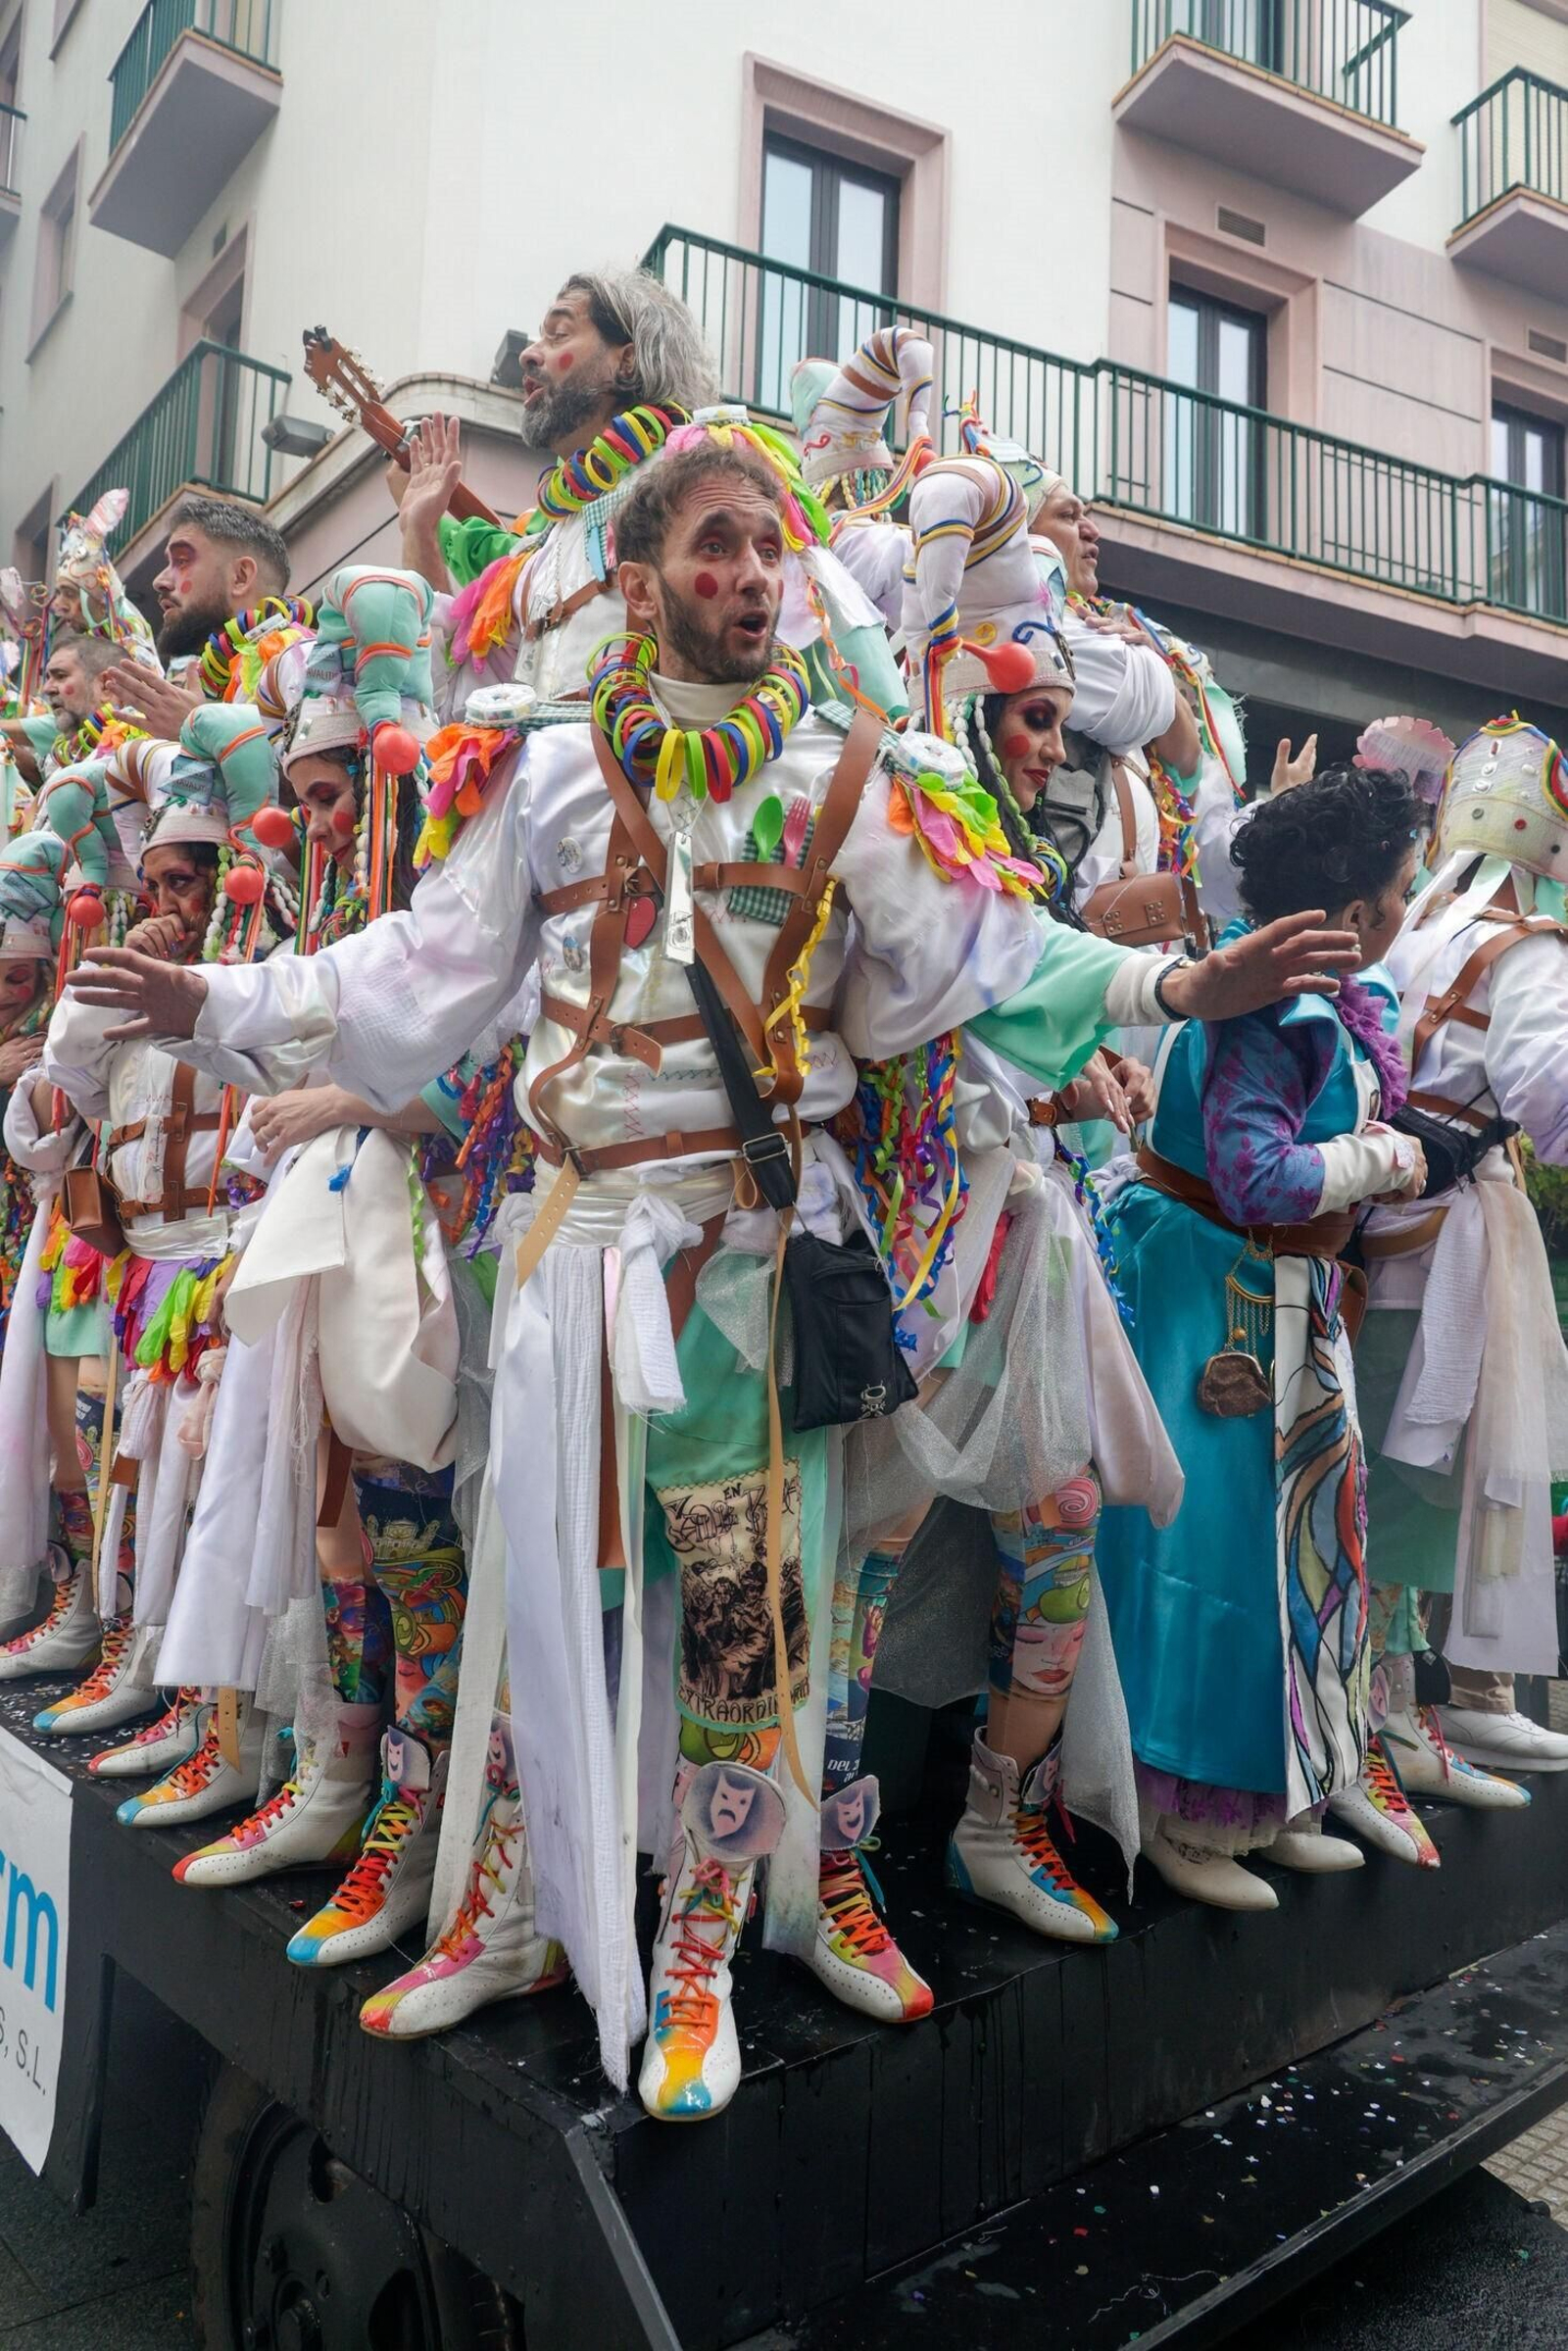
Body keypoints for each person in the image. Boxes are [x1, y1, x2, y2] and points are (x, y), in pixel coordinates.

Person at [70, 442, 1358, 2115]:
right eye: (717, 544)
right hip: (574, 1264)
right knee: (546, 1600)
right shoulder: (534, 782)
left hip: (750, 1280)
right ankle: (521, 1906)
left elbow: (999, 948)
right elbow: (420, 966)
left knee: (748, 1634)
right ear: (640, 582)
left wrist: (1180, 978)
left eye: (771, 545)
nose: (753, 571)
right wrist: (220, 1010)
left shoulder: (848, 781)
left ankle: (699, 1937)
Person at [1095, 767, 1429, 1909]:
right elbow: (1256, 1173)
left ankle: (1262, 1790)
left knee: (1287, 1552)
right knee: (1210, 1556)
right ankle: (1182, 1807)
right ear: (1348, 916)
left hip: (1273, 1292)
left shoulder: (1290, 992)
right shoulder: (1270, 1010)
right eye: (1398, 889)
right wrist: (1382, 1160)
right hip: (1220, 1297)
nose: (1406, 907)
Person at [29, 706, 306, 1744]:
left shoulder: (260, 973)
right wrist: (109, 971)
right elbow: (55, 1106)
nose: (167, 904)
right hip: (141, 1282)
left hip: (226, 1278)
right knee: (134, 1483)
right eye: (155, 884)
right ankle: (140, 1665)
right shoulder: (126, 991)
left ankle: (217, 1722)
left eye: (186, 881)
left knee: (213, 1506)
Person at [1353, 716, 1568, 1808]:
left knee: (1417, 1466)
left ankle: (1446, 1690)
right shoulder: (1523, 949)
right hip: (1447, 1241)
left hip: (1378, 1222)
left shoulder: (1410, 923)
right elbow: (1555, 1100)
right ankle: (1401, 1707)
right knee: (1432, 1473)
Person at [96, 495, 295, 743]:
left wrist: (198, 728)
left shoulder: (298, 662)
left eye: (181, 561)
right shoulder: (192, 691)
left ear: (240, 577)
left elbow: (315, 777)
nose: (160, 581)